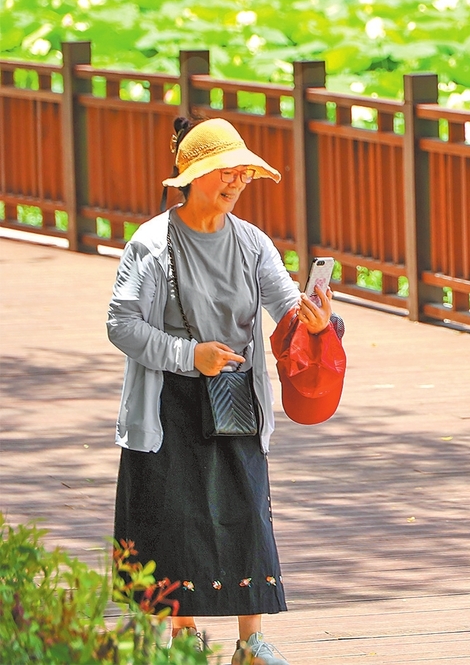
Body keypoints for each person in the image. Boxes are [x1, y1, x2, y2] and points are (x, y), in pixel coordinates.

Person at [107, 116, 339, 665]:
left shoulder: (252, 243)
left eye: (242, 175)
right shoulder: (152, 243)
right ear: (191, 177)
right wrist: (191, 356)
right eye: (224, 174)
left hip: (234, 399)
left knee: (246, 513)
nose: (235, 184)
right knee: (167, 520)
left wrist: (315, 321)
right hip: (165, 405)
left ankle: (250, 642)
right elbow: (121, 324)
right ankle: (173, 637)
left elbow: (285, 310)